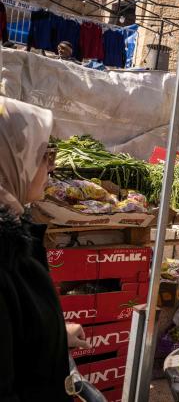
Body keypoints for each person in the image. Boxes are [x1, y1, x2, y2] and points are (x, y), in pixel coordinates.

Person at [0, 97, 87, 401]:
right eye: (45, 154)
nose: (51, 166)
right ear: (13, 157)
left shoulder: (14, 232)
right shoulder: (3, 256)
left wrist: (58, 334)